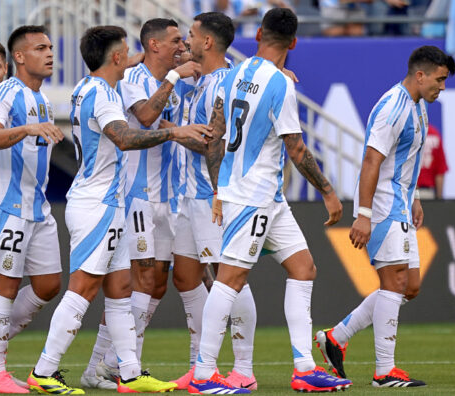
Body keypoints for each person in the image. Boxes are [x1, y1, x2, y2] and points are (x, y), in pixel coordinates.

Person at [27, 25, 211, 395]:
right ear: (115, 57)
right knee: (82, 289)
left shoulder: (86, 87)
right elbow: (125, 139)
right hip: (97, 203)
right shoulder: (104, 95)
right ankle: (43, 371)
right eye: (127, 52)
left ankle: (129, 373)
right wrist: (174, 132)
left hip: (109, 202)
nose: (132, 58)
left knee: (122, 290)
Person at [192, 8, 352, 393]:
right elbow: (295, 149)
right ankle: (203, 373)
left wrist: (218, 187)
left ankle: (303, 368)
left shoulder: (233, 75)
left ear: (259, 33)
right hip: (255, 195)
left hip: (260, 195)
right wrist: (329, 192)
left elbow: (214, 135)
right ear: (293, 43)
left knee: (303, 268)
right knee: (229, 280)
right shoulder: (281, 84)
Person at [315, 45, 455, 388]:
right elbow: (371, 161)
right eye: (439, 79)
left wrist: (416, 197)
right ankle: (384, 371)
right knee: (394, 284)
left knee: (411, 286)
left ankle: (337, 336)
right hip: (381, 205)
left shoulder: (418, 107)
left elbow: (407, 158)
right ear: (420, 75)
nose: (442, 87)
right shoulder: (392, 107)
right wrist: (362, 215)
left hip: (402, 203)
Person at [93, 18, 201, 380]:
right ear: (154, 45)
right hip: (136, 195)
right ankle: (125, 368)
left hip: (169, 198)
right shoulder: (134, 79)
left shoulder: (180, 81)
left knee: (156, 282)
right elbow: (146, 116)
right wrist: (174, 78)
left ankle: (105, 365)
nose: (181, 46)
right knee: (139, 279)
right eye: (174, 41)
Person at [168, 11, 258, 391]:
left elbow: (211, 141)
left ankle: (243, 369)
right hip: (187, 196)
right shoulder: (202, 80)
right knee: (187, 277)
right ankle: (200, 365)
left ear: (207, 42)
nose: (185, 42)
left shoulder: (227, 81)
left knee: (229, 279)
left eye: (190, 35)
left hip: (212, 197)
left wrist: (167, 132)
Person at [0, 25, 65, 393]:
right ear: (19, 56)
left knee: (49, 284)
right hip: (6, 204)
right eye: (40, 47)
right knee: (5, 287)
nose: (49, 53)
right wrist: (28, 128)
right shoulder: (4, 93)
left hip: (37, 205)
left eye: (50, 47)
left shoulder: (40, 98)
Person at [416, 124, 448, 199]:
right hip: (428, 194)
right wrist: (439, 198)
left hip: (408, 193)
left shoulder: (408, 132)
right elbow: (440, 171)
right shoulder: (434, 134)